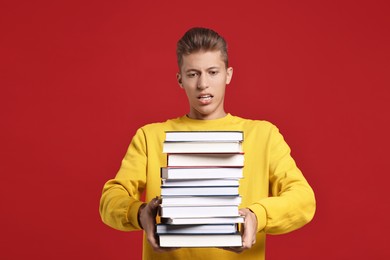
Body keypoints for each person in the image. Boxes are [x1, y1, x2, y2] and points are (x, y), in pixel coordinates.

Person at [99, 27, 316, 260]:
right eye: (193, 74)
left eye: (213, 72)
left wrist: (256, 216)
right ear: (180, 79)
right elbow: (111, 199)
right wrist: (140, 213)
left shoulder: (263, 135)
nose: (203, 84)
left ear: (228, 74)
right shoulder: (150, 137)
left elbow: (303, 199)